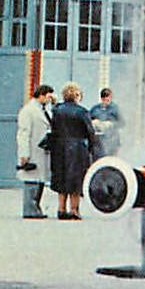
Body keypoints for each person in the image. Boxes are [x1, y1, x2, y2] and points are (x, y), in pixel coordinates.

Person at [47, 82, 98, 220]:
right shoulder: (82, 111)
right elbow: (90, 132)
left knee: (61, 177)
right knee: (75, 180)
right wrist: (93, 147)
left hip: (59, 147)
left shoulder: (57, 110)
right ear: (77, 95)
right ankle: (74, 210)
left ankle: (61, 209)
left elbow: (53, 128)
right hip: (77, 149)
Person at [14, 83, 55, 219]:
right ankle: (30, 209)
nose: (50, 100)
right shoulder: (28, 111)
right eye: (48, 97)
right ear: (41, 95)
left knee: (39, 181)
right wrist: (24, 154)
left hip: (41, 151)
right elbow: (23, 133)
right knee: (31, 180)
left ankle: (36, 207)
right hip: (32, 151)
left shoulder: (44, 110)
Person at [89, 87, 123, 159]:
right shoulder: (95, 109)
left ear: (111, 98)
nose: (106, 102)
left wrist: (111, 124)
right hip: (98, 142)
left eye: (107, 100)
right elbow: (88, 121)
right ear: (101, 98)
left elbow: (122, 123)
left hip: (112, 141)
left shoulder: (115, 109)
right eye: (104, 100)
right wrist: (94, 123)